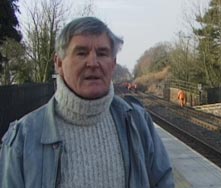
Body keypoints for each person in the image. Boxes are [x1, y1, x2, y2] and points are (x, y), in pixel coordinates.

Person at [0, 17, 174, 188]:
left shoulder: (138, 124)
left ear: (113, 64)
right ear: (59, 63)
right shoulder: (22, 140)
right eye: (81, 53)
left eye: (102, 53)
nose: (93, 63)